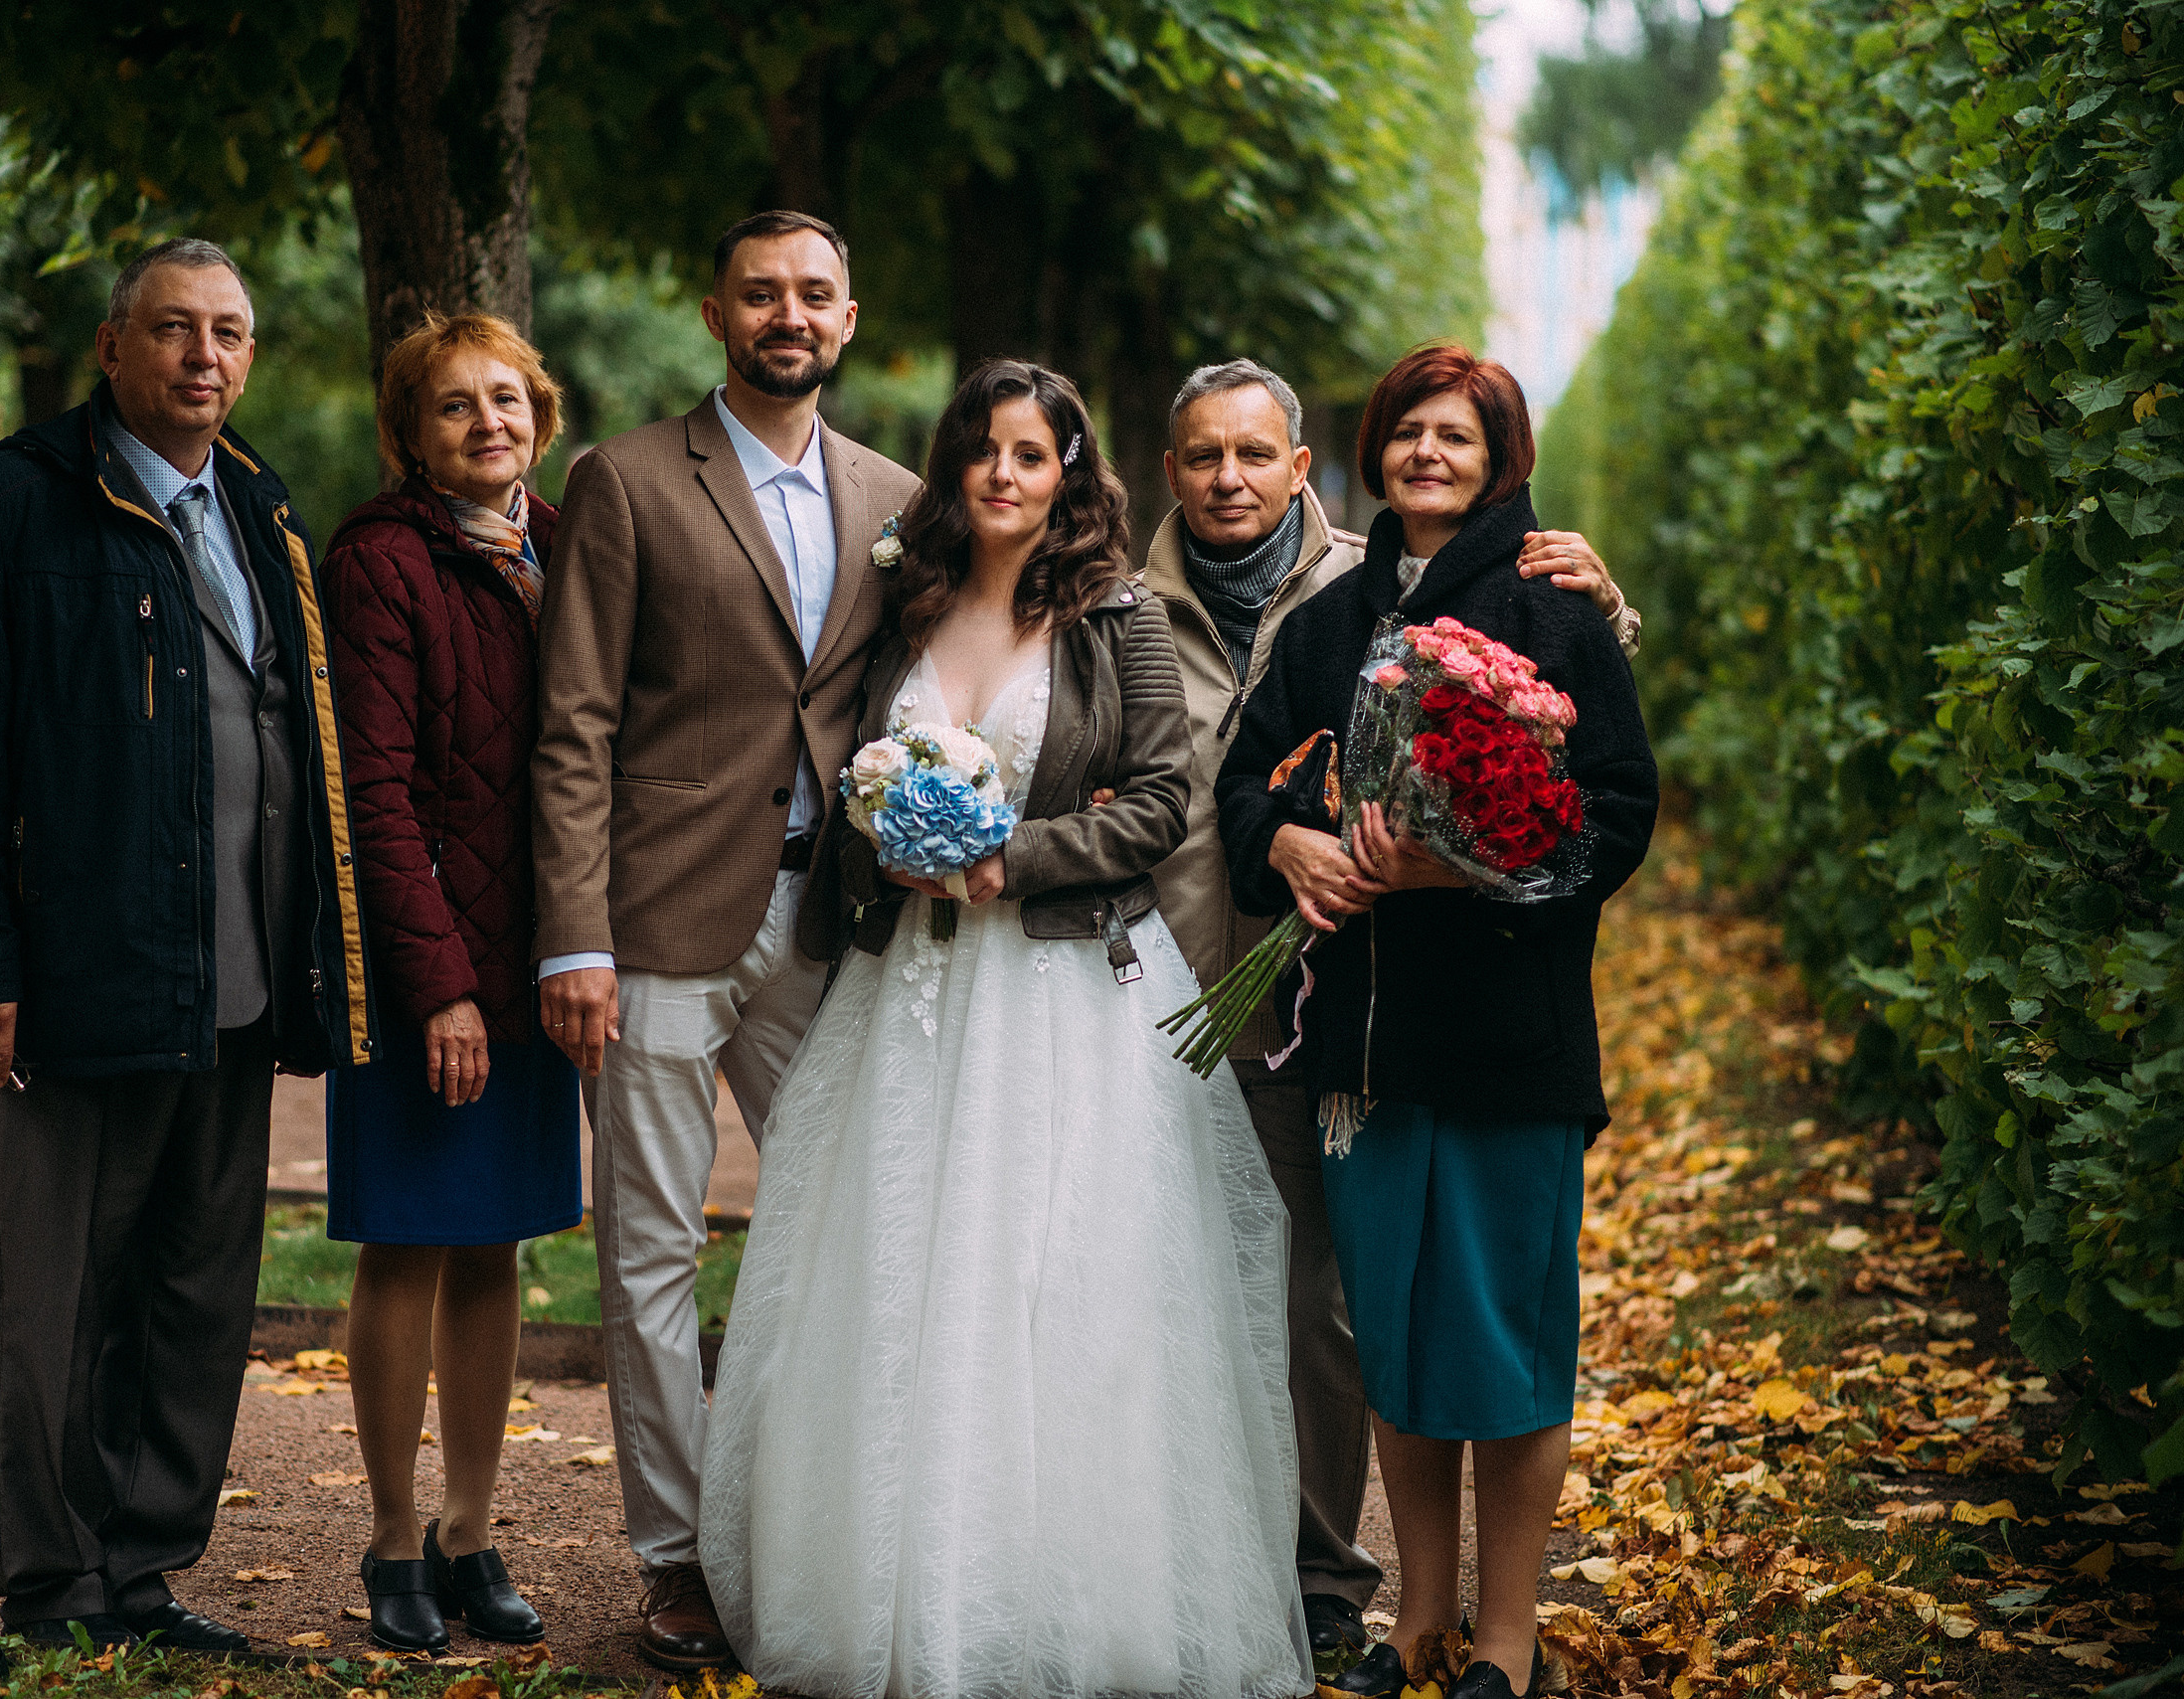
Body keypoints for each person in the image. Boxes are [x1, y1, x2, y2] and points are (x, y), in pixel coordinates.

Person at [699, 359, 1314, 1699]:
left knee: (1072, 1286)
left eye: (1031, 454)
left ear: (1068, 474)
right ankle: (897, 1594)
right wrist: (885, 845)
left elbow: (1161, 799)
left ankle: (1075, 1607)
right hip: (909, 996)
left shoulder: (1116, 612)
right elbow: (854, 768)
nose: (1002, 474)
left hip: (1068, 992)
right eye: (981, 450)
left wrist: (1009, 858)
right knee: (899, 1279)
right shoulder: (906, 604)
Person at [0, 238, 371, 1650]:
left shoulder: (262, 506)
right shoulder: (6, 507)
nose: (203, 356)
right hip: (71, 979)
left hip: (237, 978)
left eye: (228, 332)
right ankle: (53, 1585)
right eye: (173, 328)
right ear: (113, 347)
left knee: (196, 1290)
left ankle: (145, 1573)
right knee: (59, 1296)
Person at [1138, 358, 1638, 1653]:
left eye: (1455, 435)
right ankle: (1416, 1620)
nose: (1427, 453)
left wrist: (1472, 863)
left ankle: (1507, 1638)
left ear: (1499, 456)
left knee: (1507, 1345)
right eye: (1408, 431)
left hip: (1508, 1041)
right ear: (1374, 451)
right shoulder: (1331, 623)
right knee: (1398, 1348)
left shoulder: (1555, 608)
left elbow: (1618, 810)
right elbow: (1247, 783)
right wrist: (1287, 844)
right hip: (1360, 1044)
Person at [531, 209, 925, 1671]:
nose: (788, 314)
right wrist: (573, 937)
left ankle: (803, 1530)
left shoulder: (898, 495)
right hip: (652, 925)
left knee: (843, 1232)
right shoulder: (627, 479)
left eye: (814, 292)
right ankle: (680, 1556)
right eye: (761, 292)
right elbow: (573, 723)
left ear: (849, 316)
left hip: (831, 922)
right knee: (648, 1248)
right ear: (716, 313)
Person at [317, 312, 581, 1653]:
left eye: (507, 399)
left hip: (535, 964)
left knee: (496, 1244)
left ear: (540, 415)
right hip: (423, 975)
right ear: (410, 436)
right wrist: (440, 989)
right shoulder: (380, 560)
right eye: (454, 405)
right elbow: (371, 791)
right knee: (408, 1241)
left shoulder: (565, 551)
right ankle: (389, 1531)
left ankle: (470, 1532)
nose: (487, 422)